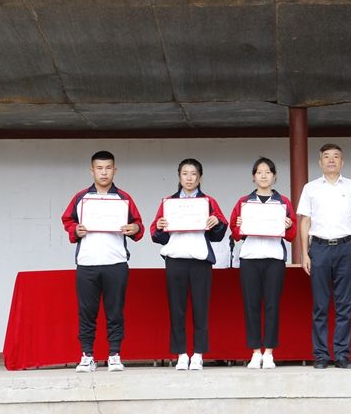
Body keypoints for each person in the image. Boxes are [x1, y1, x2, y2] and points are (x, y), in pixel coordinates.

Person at [61, 150, 144, 372]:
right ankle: (87, 355)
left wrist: (134, 228)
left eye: (108, 168)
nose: (104, 172)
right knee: (86, 312)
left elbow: (138, 225)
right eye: (99, 168)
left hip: (116, 262)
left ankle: (115, 354)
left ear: (115, 170)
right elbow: (67, 220)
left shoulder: (124, 198)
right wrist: (75, 230)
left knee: (115, 311)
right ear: (92, 171)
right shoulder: (80, 198)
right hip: (87, 263)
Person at [150, 158, 228, 370]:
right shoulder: (168, 202)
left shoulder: (208, 202)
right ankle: (182, 354)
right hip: (175, 260)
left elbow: (219, 233)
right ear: (179, 176)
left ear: (200, 177)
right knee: (177, 309)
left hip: (200, 262)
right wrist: (159, 226)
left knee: (201, 308)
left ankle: (198, 354)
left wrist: (217, 223)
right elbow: (156, 234)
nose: (189, 178)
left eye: (193, 174)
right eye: (185, 174)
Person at [297, 143, 351, 369]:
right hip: (318, 248)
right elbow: (305, 221)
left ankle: (342, 354)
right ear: (320, 162)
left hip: (345, 247)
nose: (331, 160)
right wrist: (304, 253)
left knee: (344, 304)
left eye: (336, 156)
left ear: (342, 162)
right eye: (326, 157)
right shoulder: (310, 188)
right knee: (320, 305)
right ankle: (320, 355)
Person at [229, 158, 297, 369]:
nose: (264, 175)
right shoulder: (244, 202)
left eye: (268, 172)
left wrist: (288, 225)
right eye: (259, 172)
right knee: (251, 305)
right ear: (254, 176)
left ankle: (269, 352)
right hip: (250, 258)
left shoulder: (283, 202)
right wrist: (238, 225)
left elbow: (292, 235)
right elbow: (235, 233)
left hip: (274, 258)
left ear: (274, 176)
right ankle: (254, 352)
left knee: (272, 305)